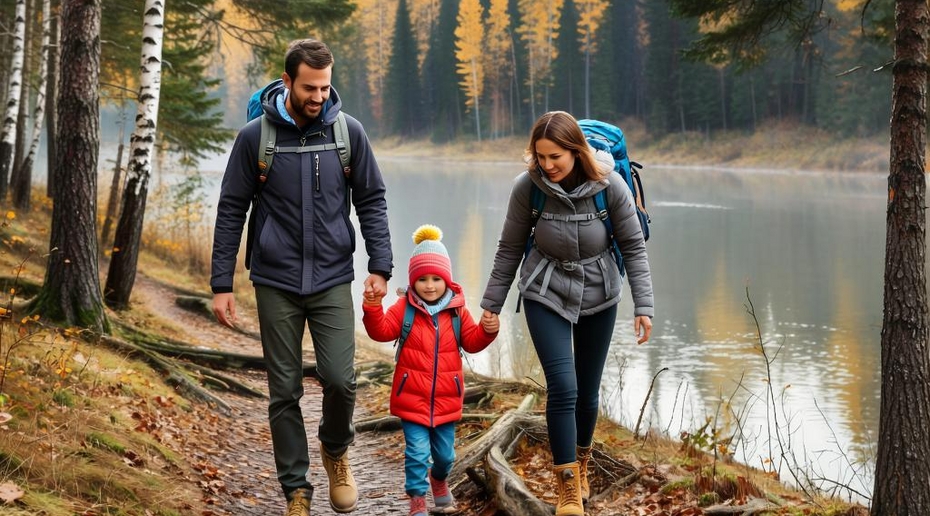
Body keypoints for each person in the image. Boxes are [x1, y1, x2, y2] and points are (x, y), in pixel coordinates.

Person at [210, 38, 393, 516]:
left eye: (325, 87)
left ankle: (336, 450)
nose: (318, 97)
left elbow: (371, 200)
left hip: (332, 276)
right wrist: (221, 283)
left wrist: (380, 266)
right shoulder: (255, 137)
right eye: (309, 87)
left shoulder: (348, 133)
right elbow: (231, 209)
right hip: (275, 279)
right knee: (284, 390)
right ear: (287, 81)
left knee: (341, 379)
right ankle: (296, 489)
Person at [480, 111, 653, 516]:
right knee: (563, 386)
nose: (547, 165)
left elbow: (633, 247)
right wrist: (492, 304)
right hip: (545, 291)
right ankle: (568, 486)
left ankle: (583, 462)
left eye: (555, 156)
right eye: (540, 157)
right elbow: (509, 248)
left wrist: (644, 306)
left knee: (587, 391)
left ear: (576, 151)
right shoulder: (528, 187)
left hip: (600, 293)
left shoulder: (609, 186)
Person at [361, 224, 499, 516]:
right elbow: (381, 331)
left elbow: (472, 342)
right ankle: (417, 500)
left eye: (436, 278)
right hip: (412, 398)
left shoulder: (458, 311)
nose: (430, 285)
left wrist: (488, 330)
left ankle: (438, 480)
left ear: (447, 279)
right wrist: (373, 307)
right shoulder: (404, 308)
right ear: (413, 281)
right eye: (422, 279)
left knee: (445, 457)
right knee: (417, 454)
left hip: (447, 399)